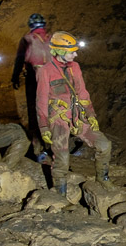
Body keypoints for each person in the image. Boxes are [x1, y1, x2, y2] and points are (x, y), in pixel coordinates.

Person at [36, 31, 111, 194]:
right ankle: (60, 193)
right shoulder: (45, 71)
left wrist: (91, 115)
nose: (75, 54)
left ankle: (102, 178)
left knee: (104, 145)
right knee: (62, 158)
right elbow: (41, 101)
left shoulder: (74, 67)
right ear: (60, 51)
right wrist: (43, 127)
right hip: (59, 119)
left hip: (77, 115)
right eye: (72, 52)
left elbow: (82, 93)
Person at [12, 13, 52, 156]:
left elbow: (19, 59)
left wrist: (15, 77)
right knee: (51, 109)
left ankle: (37, 145)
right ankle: (53, 145)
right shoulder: (51, 39)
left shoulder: (27, 39)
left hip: (34, 79)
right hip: (52, 80)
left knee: (35, 110)